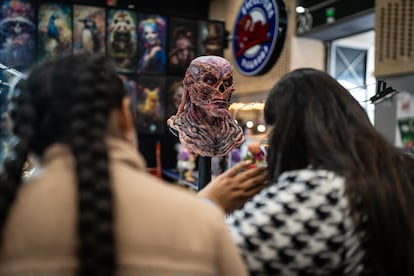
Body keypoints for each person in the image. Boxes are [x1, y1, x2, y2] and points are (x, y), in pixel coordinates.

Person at [0, 54, 249, 275]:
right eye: (210, 82)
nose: (221, 92)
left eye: (226, 85)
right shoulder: (201, 222)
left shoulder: (9, 215)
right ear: (124, 117)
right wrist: (205, 205)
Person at [199, 68, 414, 275]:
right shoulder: (398, 170)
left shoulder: (320, 189)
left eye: (271, 132)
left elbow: (203, 260)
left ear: (287, 130)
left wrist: (210, 201)